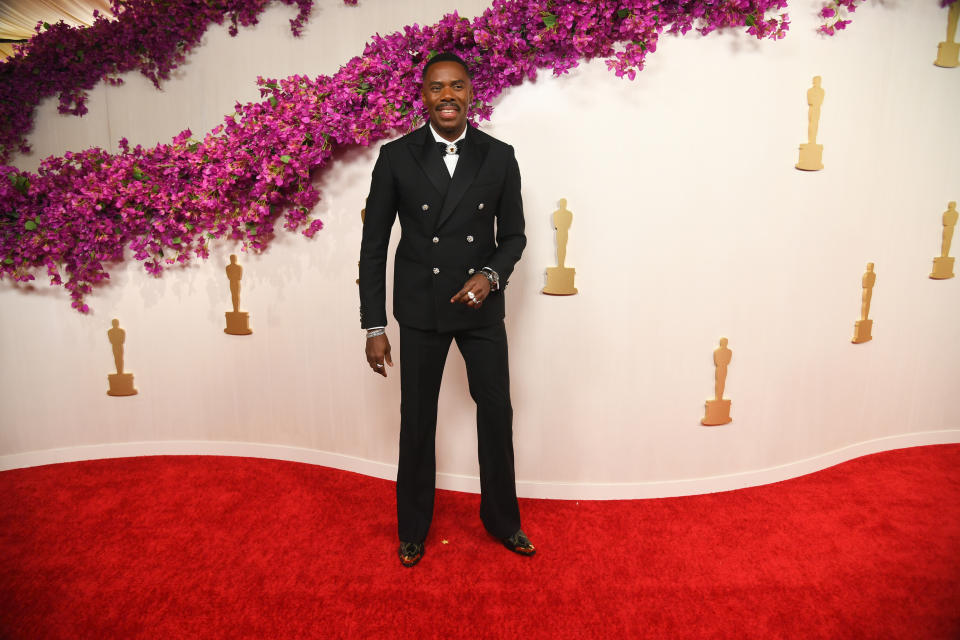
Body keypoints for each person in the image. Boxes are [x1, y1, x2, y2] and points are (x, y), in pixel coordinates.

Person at [358, 52, 533, 567]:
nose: (448, 95)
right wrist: (373, 324)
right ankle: (412, 528)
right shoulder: (395, 156)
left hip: (481, 310)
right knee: (417, 419)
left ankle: (504, 522)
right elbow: (373, 246)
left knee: (497, 413)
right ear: (424, 95)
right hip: (420, 309)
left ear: (471, 92)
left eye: (457, 85)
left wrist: (490, 276)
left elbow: (515, 235)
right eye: (437, 88)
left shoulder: (499, 156)